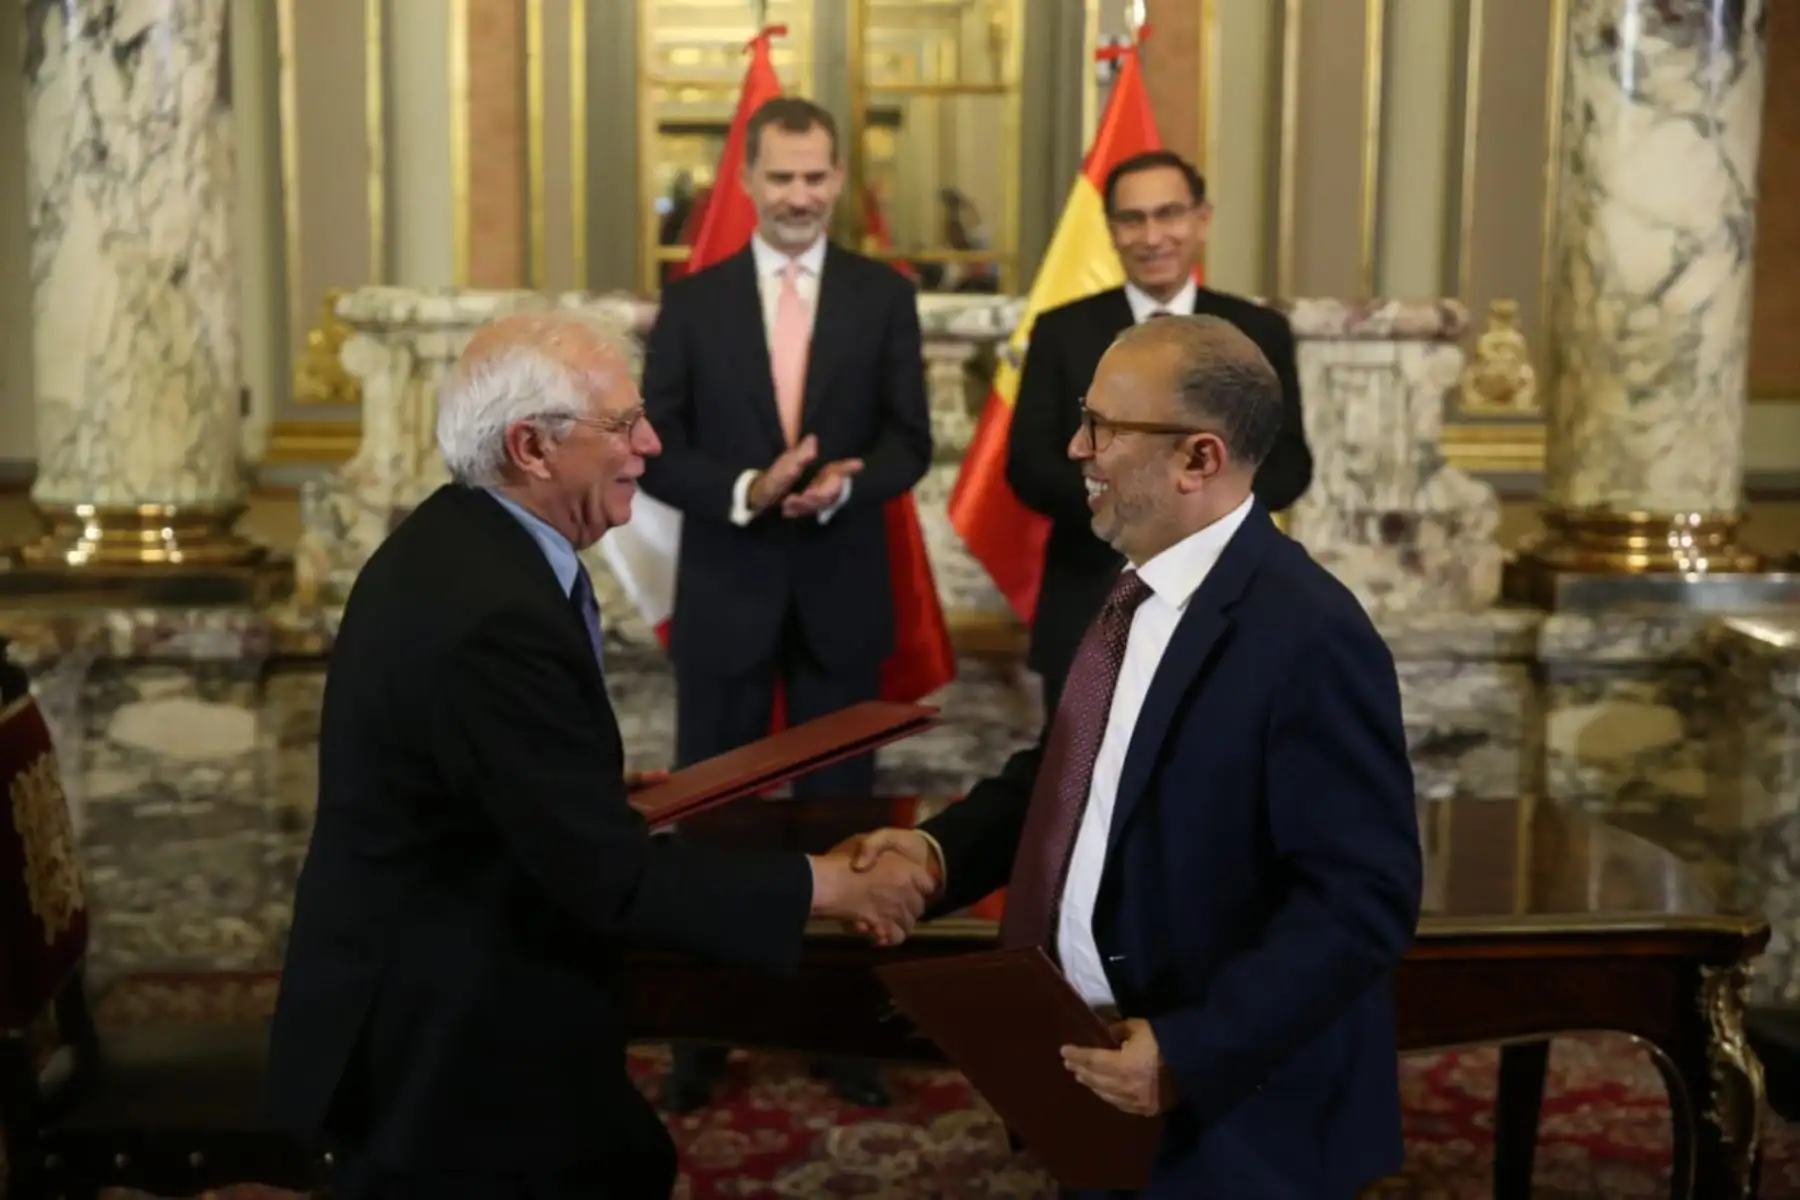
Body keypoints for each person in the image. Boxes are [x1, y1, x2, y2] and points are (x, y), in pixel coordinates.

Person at [263, 313, 937, 1199]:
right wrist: (833, 885)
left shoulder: (470, 540)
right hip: (437, 1054)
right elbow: (607, 881)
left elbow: (473, 767)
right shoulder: (489, 610)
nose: (651, 444)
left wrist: (573, 784)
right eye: (621, 425)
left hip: (462, 981)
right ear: (531, 448)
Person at [845, 315, 1421, 1198]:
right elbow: (1073, 774)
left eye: (1107, 427)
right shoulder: (1133, 589)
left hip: (1234, 1121)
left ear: (1198, 459)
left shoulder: (1311, 634)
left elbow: (1361, 902)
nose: (1077, 447)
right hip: (1103, 1084)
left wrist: (1195, 1046)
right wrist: (939, 853)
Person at [638, 95, 932, 1112]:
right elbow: (656, 447)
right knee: (713, 823)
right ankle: (704, 1033)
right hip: (727, 590)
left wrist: (846, 483)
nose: (800, 195)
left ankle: (838, 1028)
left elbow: (912, 441)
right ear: (748, 183)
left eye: (817, 176)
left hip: (841, 591)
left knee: (845, 822)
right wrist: (744, 490)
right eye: (781, 178)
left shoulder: (883, 296)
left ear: (839, 179)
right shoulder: (694, 300)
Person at [1008, 150, 1314, 721]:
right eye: (1132, 218)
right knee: (1079, 784)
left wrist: (1190, 517)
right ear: (1110, 231)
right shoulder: (1061, 331)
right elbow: (1029, 465)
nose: (1152, 235)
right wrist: (1134, 507)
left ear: (1202, 219)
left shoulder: (1259, 331)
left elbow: (1289, 463)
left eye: (1168, 214)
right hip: (1088, 595)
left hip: (1228, 600)